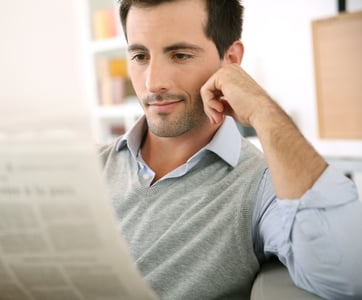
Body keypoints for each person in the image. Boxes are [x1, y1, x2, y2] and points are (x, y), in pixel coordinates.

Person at [99, 0, 362, 299]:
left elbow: (349, 276)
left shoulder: (261, 187)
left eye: (180, 54)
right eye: (140, 56)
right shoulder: (90, 166)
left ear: (231, 59)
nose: (152, 82)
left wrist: (261, 108)